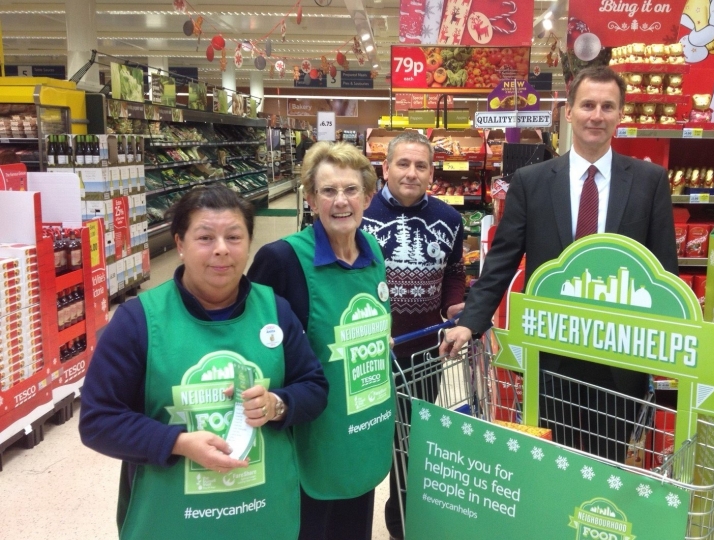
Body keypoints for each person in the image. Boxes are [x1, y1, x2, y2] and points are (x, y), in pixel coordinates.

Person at [441, 65, 679, 463]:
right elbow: (501, 260)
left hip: (619, 357)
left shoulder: (649, 181)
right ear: (568, 112)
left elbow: (663, 269)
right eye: (587, 105)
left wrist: (671, 341)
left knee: (607, 466)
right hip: (550, 355)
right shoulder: (532, 182)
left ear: (620, 115)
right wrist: (470, 321)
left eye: (607, 106)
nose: (596, 115)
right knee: (551, 464)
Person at [79, 185, 329, 539]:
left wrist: (278, 404)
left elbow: (315, 387)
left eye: (234, 236)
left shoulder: (275, 310)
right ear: (179, 244)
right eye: (205, 237)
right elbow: (98, 420)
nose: (222, 249)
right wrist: (176, 442)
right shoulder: (139, 321)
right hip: (173, 519)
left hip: (263, 513)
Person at [247, 142, 393, 540]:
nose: (341, 201)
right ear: (310, 199)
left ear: (367, 196)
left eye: (350, 190)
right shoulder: (282, 259)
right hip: (310, 434)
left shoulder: (373, 251)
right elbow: (248, 339)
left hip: (363, 424)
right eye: (328, 191)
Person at [361, 130, 466, 540]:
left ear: (431, 172)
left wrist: (456, 311)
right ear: (384, 168)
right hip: (369, 354)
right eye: (402, 164)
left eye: (420, 165)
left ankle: (399, 526)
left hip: (424, 354)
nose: (411, 172)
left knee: (408, 447)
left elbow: (455, 273)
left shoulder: (450, 219)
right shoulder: (360, 214)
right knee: (365, 442)